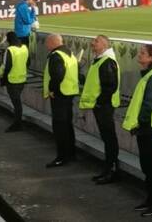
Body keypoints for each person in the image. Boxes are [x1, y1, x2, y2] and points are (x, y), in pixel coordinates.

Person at [122, 44, 152, 217]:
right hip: (146, 128)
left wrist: (140, 123)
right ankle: (151, 199)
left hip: (150, 128)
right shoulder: (150, 75)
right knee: (147, 166)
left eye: (143, 53)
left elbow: (149, 103)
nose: (139, 55)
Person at [80, 34, 121, 184]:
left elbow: (110, 86)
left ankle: (111, 170)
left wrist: (99, 103)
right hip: (101, 106)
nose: (93, 43)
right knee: (107, 138)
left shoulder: (107, 61)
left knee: (109, 139)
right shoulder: (100, 60)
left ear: (104, 45)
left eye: (96, 41)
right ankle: (108, 169)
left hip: (104, 106)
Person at [43, 33, 79, 167]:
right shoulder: (69, 54)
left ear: (53, 42)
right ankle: (71, 154)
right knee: (67, 125)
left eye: (47, 42)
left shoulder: (56, 55)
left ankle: (62, 157)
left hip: (60, 95)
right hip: (69, 92)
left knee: (60, 127)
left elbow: (57, 75)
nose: (46, 45)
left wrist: (52, 89)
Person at [0, 31, 28, 132]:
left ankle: (17, 124)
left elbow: (7, 66)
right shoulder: (24, 48)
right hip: (22, 79)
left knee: (16, 103)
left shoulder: (10, 50)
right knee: (17, 103)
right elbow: (28, 62)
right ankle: (17, 122)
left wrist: (3, 79)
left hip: (12, 80)